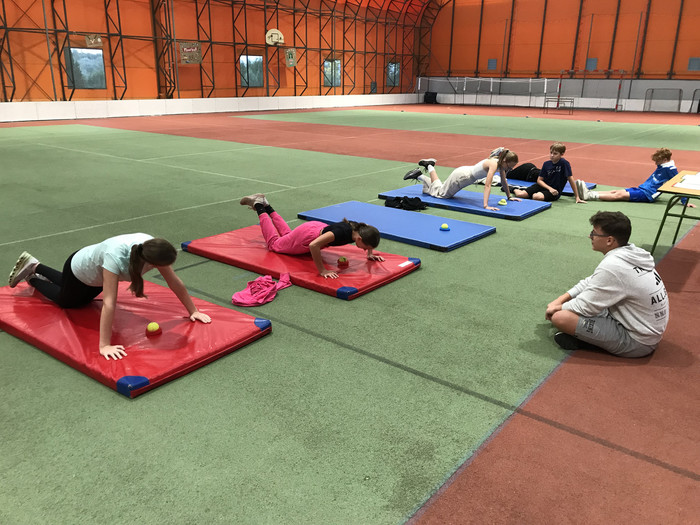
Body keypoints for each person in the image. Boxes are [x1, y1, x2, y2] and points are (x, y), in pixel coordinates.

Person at [7, 234, 212, 361]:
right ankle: (32, 276)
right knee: (66, 301)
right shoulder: (116, 257)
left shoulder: (151, 249)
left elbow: (174, 281)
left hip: (93, 276)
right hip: (79, 269)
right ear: (150, 263)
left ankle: (35, 265)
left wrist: (193, 311)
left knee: (76, 294)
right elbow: (109, 302)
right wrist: (104, 345)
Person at [545, 211, 668, 358]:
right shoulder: (632, 253)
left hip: (637, 342)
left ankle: (586, 343)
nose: (590, 236)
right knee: (573, 303)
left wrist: (556, 308)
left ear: (609, 240)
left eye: (594, 233)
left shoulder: (613, 265)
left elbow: (584, 306)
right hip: (641, 327)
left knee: (561, 317)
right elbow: (591, 281)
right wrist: (560, 300)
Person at [240, 193, 384, 279]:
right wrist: (322, 270)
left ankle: (266, 204)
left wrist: (370, 253)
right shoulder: (341, 233)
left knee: (288, 236)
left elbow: (369, 230)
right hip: (307, 237)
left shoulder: (359, 228)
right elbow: (313, 245)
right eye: (365, 248)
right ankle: (258, 205)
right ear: (359, 239)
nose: (364, 250)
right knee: (274, 244)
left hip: (314, 227)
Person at [403, 148, 521, 211]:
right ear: (504, 161)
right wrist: (486, 205)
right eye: (509, 166)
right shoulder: (494, 164)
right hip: (463, 177)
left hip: (464, 174)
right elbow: (488, 185)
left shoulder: (500, 164)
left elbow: (504, 181)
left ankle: (425, 169)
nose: (510, 169)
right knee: (441, 194)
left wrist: (509, 197)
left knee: (441, 189)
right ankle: (425, 170)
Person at [575, 148, 694, 207]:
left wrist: (685, 202)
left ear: (664, 160)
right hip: (642, 188)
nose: (655, 163)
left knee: (619, 195)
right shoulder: (662, 166)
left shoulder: (670, 170)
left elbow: (678, 185)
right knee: (616, 191)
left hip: (648, 195)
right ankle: (589, 193)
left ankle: (589, 196)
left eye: (657, 161)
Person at [511, 142, 585, 203]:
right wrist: (549, 188)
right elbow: (539, 180)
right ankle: (513, 188)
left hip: (555, 191)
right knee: (521, 194)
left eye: (555, 154)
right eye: (551, 153)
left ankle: (532, 194)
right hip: (543, 187)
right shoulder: (546, 164)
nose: (552, 155)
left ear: (562, 154)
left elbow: (571, 179)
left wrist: (577, 197)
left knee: (536, 197)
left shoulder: (564, 163)